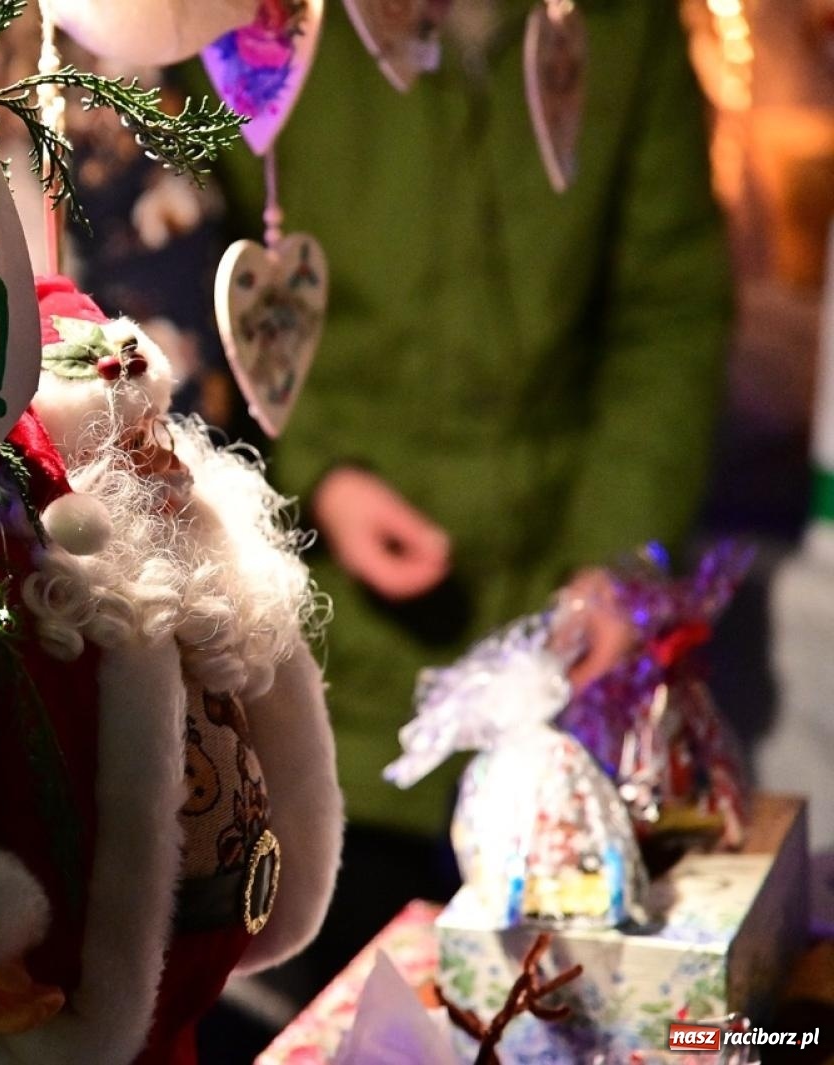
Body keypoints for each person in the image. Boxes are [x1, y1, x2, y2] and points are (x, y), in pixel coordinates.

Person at [209, 0, 732, 994]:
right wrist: (319, 467)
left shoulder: (619, 32)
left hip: (560, 654)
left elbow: (666, 305)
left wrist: (616, 554)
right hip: (329, 679)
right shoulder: (259, 30)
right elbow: (202, 270)